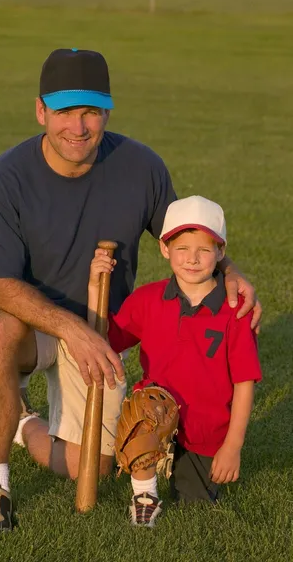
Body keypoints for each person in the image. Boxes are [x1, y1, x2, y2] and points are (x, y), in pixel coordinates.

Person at [0, 48, 261, 531]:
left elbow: (185, 238)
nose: (77, 127)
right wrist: (69, 330)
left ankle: (20, 421)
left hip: (106, 329)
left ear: (107, 111)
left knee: (96, 466)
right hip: (32, 320)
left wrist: (229, 272)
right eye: (64, 112)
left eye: (91, 112)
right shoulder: (4, 178)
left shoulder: (141, 167)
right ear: (41, 111)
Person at [88, 196, 262, 527]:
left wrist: (232, 446)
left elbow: (244, 382)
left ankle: (180, 465)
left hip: (206, 428)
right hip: (158, 412)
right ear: (165, 249)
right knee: (143, 414)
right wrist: (95, 286)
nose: (192, 259)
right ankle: (145, 495)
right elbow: (106, 338)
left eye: (204, 250)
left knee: (194, 505)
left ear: (221, 253)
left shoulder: (234, 310)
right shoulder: (148, 299)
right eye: (181, 248)